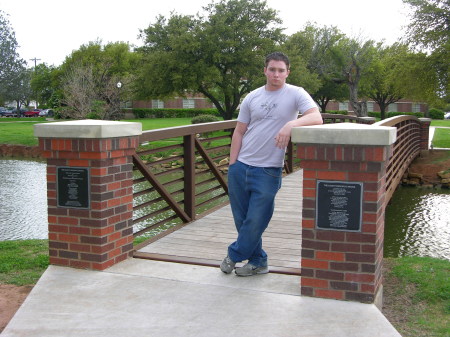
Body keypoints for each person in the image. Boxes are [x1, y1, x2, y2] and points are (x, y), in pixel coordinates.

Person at [220, 51, 323, 276]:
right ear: (265, 70)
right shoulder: (252, 97)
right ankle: (258, 261)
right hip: (241, 167)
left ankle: (233, 255)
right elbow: (239, 131)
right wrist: (233, 164)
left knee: (256, 219)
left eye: (281, 70)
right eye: (272, 69)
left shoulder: (296, 93)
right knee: (242, 220)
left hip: (268, 170)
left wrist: (289, 126)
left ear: (288, 72)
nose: (276, 74)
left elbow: (316, 117)